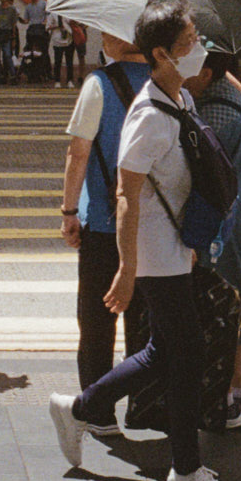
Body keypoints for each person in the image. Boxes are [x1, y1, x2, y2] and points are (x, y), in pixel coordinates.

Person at [47, 0, 240, 481]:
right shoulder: (149, 115)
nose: (199, 49)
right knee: (185, 352)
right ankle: (184, 469)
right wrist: (128, 270)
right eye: (189, 44)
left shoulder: (180, 100)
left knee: (169, 352)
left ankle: (82, 409)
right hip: (152, 252)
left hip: (176, 247)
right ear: (161, 53)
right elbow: (125, 195)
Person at [58, 30, 154, 395]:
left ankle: (98, 409)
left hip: (102, 221)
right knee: (144, 321)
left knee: (98, 321)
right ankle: (144, 404)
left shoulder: (98, 84)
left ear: (116, 39)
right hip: (153, 226)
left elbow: (78, 153)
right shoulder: (171, 85)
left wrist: (69, 211)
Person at [193, 51, 241, 428]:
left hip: (227, 215)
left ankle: (224, 397)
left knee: (222, 301)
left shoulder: (213, 116)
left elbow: (196, 171)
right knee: (236, 297)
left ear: (207, 73)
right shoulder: (230, 87)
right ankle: (237, 391)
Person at [22, 0, 51, 84]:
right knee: (30, 52)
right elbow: (26, 20)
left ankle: (45, 73)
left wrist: (45, 23)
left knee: (43, 52)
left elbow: (48, 16)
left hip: (41, 29)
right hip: (32, 29)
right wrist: (20, 20)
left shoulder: (43, 3)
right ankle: (33, 73)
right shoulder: (28, 6)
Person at [0, 0, 20, 84]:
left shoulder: (12, 10)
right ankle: (1, 74)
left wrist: (14, 38)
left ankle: (13, 75)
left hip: (7, 34)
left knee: (7, 55)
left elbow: (13, 25)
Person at [50, 14, 79, 87]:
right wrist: (58, 26)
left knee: (69, 62)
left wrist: (72, 23)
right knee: (57, 62)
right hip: (57, 41)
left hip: (69, 40)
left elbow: (76, 24)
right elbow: (47, 27)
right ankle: (57, 81)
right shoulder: (52, 15)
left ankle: (70, 80)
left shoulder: (68, 14)